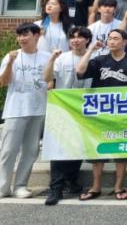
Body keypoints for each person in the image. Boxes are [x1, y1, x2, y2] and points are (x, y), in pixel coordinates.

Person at [76, 29, 127, 201]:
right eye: (109, 38)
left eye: (115, 38)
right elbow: (80, 71)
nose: (111, 41)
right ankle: (96, 187)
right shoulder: (100, 60)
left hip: (124, 113)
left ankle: (118, 187)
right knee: (97, 151)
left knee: (121, 152)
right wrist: (91, 50)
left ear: (124, 42)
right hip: (100, 113)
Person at [42, 26, 93, 205]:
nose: (75, 40)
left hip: (84, 108)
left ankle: (71, 181)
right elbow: (47, 78)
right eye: (72, 37)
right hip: (62, 108)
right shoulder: (62, 58)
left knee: (77, 146)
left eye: (80, 37)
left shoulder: (94, 58)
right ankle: (56, 188)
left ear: (87, 40)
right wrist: (51, 59)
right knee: (58, 147)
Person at [0, 23, 50, 199]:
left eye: (25, 34)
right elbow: (3, 82)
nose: (21, 38)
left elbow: (50, 81)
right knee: (8, 150)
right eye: (19, 35)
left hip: (38, 109)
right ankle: (3, 186)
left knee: (30, 151)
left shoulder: (47, 57)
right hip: (15, 109)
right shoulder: (11, 56)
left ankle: (20, 186)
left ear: (36, 36)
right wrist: (10, 62)